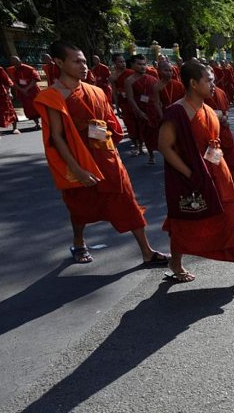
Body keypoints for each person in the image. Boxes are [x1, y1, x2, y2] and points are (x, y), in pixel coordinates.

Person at [33, 41, 168, 266]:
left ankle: (147, 251)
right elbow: (56, 137)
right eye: (76, 61)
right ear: (58, 62)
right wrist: (77, 170)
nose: (83, 66)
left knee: (128, 202)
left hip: (107, 157)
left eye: (84, 61)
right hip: (77, 161)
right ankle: (79, 243)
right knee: (80, 209)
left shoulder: (95, 91)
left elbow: (110, 125)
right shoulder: (52, 96)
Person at [156, 61, 234, 282]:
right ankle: (175, 262)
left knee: (233, 217)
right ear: (194, 83)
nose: (214, 85)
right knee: (186, 222)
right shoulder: (177, 112)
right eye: (209, 80)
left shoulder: (208, 110)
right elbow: (164, 146)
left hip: (218, 175)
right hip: (193, 178)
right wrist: (189, 173)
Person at [204, 81, 234, 191]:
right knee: (214, 159)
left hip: (224, 130)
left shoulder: (220, 92)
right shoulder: (201, 94)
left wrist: (224, 117)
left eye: (211, 80)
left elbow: (226, 109)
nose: (211, 84)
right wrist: (219, 116)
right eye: (207, 80)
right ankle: (216, 185)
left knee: (230, 156)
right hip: (210, 132)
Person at [124, 54, 162, 163]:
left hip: (154, 109)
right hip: (141, 111)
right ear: (132, 65)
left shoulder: (153, 79)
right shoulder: (129, 81)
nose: (142, 67)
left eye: (144, 64)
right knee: (146, 134)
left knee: (159, 133)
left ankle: (165, 153)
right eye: (139, 64)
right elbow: (130, 98)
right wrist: (139, 112)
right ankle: (151, 155)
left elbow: (158, 97)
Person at [8, 56, 41, 130]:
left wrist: (26, 89)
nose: (15, 63)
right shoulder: (11, 70)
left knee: (38, 106)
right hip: (22, 92)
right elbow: (12, 81)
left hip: (33, 91)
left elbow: (35, 79)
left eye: (16, 61)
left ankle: (45, 123)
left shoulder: (29, 68)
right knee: (29, 108)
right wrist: (22, 90)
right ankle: (37, 123)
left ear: (20, 61)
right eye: (13, 62)